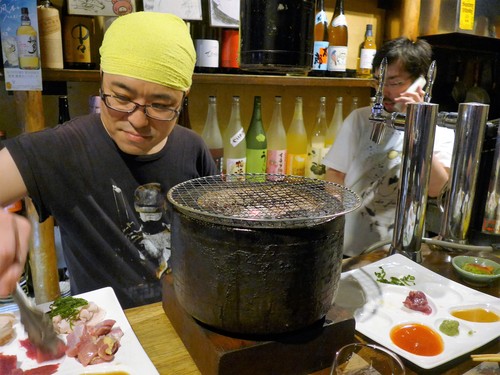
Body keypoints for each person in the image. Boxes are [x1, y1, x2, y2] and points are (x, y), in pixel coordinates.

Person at [0, 12, 217, 308]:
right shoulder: (64, 148)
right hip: (105, 335)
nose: (138, 120)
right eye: (121, 98)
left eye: (161, 105)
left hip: (183, 319)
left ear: (184, 96)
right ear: (101, 78)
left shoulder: (192, 148)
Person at [323, 37, 454, 257]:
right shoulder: (361, 118)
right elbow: (335, 174)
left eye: (393, 82)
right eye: (378, 81)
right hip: (346, 246)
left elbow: (437, 188)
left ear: (419, 81)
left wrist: (418, 126)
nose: (383, 90)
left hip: (400, 250)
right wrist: (336, 222)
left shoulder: (439, 130)